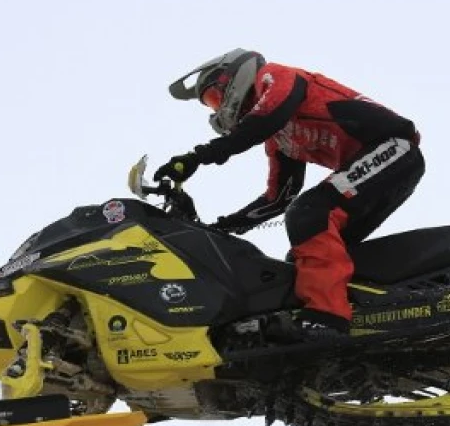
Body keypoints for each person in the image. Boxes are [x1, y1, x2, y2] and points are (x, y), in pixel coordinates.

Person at [156, 49, 425, 340]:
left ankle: (328, 318)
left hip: (393, 147)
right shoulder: (279, 138)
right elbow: (279, 198)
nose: (217, 109)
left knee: (311, 212)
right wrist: (218, 229)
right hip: (384, 165)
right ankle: (372, 312)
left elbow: (265, 119)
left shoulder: (274, 76)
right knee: (304, 256)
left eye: (213, 99)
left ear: (231, 77)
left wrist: (197, 157)